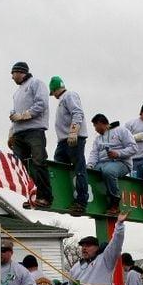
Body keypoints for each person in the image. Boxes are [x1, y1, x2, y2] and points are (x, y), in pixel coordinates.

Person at [8, 61, 52, 208]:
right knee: (21, 166)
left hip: (35, 130)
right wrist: (11, 132)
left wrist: (25, 115)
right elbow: (15, 114)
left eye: (13, 74)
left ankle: (45, 196)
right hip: (19, 133)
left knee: (39, 162)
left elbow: (42, 104)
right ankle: (32, 194)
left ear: (20, 72)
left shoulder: (36, 83)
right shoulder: (17, 92)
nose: (12, 77)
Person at [50, 76, 88, 216]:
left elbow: (77, 112)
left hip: (73, 138)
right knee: (59, 166)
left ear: (54, 90)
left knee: (79, 168)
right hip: (64, 140)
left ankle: (81, 201)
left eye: (52, 92)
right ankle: (63, 197)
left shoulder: (69, 95)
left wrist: (74, 131)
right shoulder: (62, 100)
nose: (53, 95)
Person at [87, 114, 137, 216]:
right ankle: (92, 201)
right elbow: (94, 153)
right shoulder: (98, 139)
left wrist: (118, 153)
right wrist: (90, 165)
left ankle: (115, 203)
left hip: (121, 163)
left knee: (108, 171)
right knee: (89, 173)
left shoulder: (121, 131)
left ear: (100, 123)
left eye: (95, 126)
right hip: (102, 163)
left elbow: (134, 148)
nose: (95, 129)